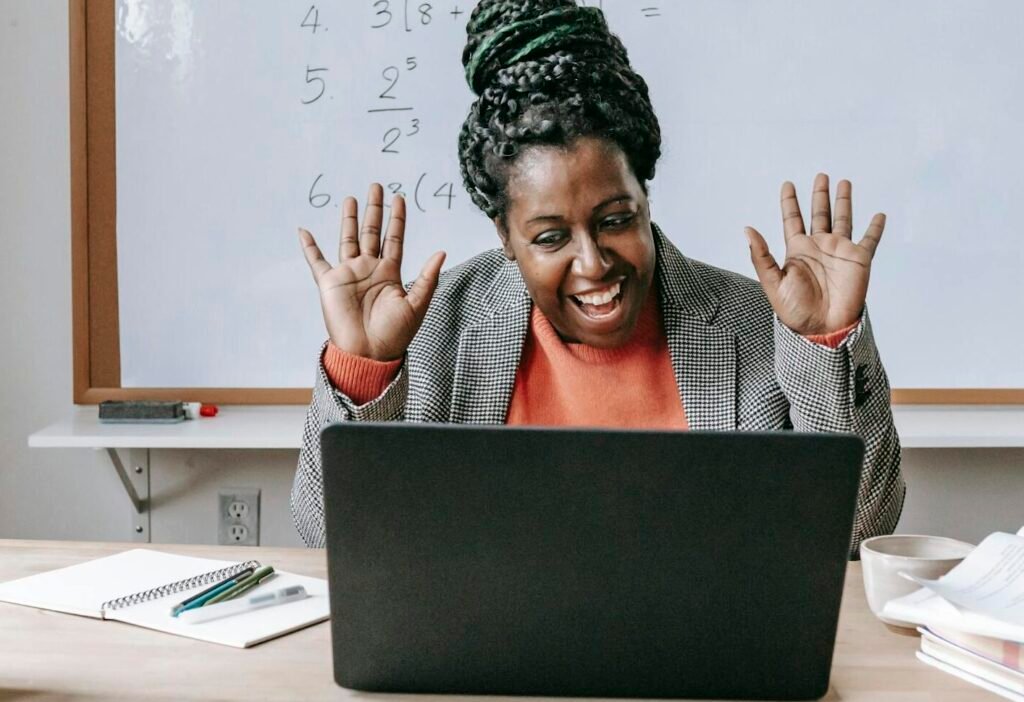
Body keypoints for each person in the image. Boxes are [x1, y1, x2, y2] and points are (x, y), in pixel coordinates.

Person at [291, 0, 904, 554]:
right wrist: (365, 370)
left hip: (699, 666)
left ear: (645, 196)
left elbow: (859, 532)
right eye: (551, 237)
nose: (592, 263)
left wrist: (825, 344)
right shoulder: (432, 331)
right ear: (505, 237)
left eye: (614, 220)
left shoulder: (756, 326)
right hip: (496, 665)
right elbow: (327, 534)